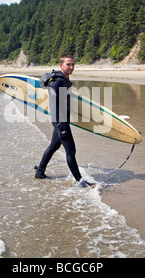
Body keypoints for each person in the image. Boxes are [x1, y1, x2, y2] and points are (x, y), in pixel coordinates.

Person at [34, 54, 96, 188]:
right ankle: (80, 181)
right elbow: (55, 105)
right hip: (60, 121)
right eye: (68, 64)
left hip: (62, 120)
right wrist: (61, 126)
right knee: (71, 151)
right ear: (61, 65)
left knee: (54, 146)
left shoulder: (65, 80)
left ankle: (40, 172)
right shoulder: (57, 82)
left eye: (73, 64)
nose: (71, 67)